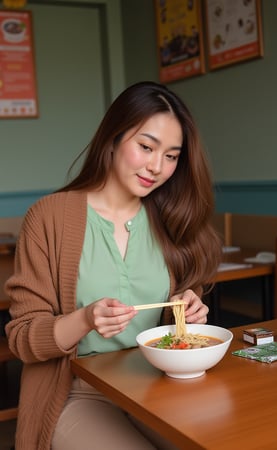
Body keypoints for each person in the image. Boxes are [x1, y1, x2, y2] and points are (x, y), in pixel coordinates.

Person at [5, 81, 221, 450]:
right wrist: (85, 319)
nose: (157, 167)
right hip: (77, 394)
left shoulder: (167, 217)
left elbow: (176, 308)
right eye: (146, 147)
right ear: (113, 137)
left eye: (171, 156)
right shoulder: (48, 217)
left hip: (155, 386)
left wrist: (189, 305)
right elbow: (22, 339)